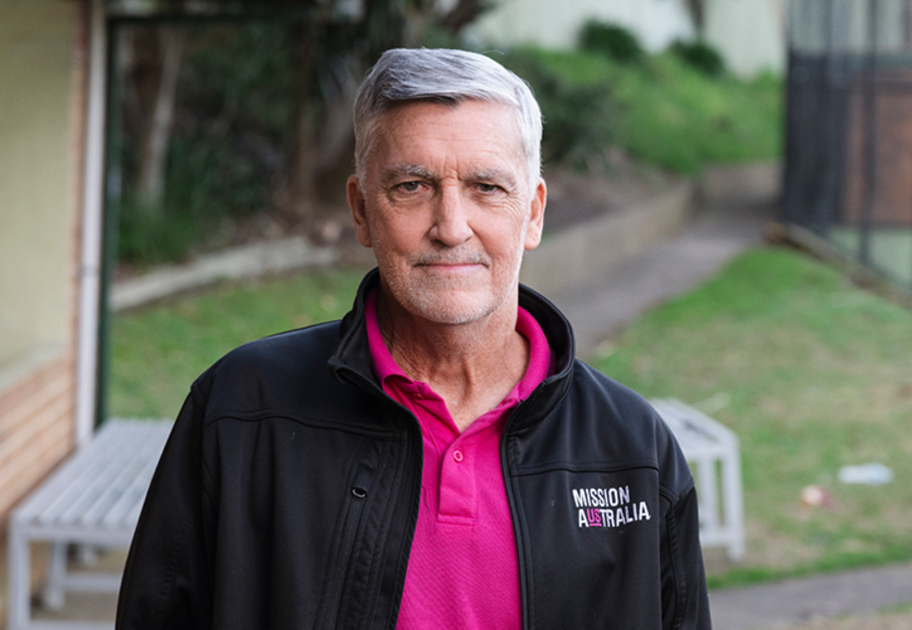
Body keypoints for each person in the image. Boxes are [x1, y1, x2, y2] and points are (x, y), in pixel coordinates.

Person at [116, 48, 711, 630]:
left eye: (486, 187)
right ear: (361, 211)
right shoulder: (242, 411)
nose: (451, 228)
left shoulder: (633, 450)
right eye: (411, 186)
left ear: (532, 214)